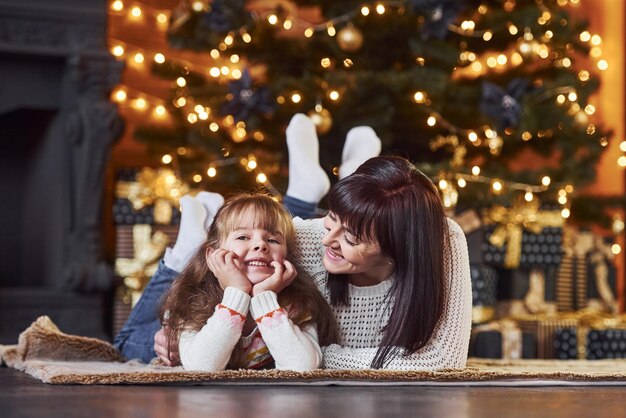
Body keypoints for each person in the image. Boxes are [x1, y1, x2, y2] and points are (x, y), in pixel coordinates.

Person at [116, 114, 472, 370]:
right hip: (216, 319)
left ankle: (313, 189)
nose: (327, 239)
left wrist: (316, 353)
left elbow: (440, 359)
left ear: (398, 248)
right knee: (130, 341)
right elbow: (242, 243)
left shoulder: (443, 244)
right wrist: (172, 329)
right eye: (331, 216)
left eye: (349, 237)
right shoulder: (303, 238)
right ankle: (187, 248)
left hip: (269, 343)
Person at [158, 193, 338, 371]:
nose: (261, 245)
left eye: (273, 240)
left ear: (287, 257)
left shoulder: (297, 305)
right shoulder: (190, 300)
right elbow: (201, 367)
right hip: (160, 341)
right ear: (213, 254)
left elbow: (303, 367)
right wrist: (237, 292)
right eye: (243, 237)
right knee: (132, 341)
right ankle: (187, 245)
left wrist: (265, 297)